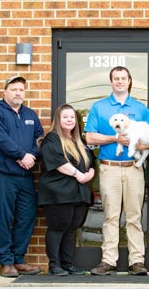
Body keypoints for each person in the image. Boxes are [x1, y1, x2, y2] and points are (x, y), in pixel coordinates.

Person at [84, 66, 149, 276]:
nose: (119, 81)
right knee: (110, 216)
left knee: (134, 216)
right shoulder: (100, 107)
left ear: (129, 81)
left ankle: (137, 261)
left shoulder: (139, 108)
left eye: (123, 78)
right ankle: (108, 260)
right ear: (111, 82)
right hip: (109, 168)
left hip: (133, 169)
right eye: (116, 78)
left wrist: (142, 147)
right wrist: (115, 138)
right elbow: (90, 137)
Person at [0, 75, 44, 277]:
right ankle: (6, 261)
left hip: (25, 176)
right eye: (14, 89)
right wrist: (21, 155)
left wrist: (32, 156)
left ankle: (18, 258)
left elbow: (39, 139)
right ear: (5, 92)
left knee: (27, 216)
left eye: (21, 89)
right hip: (2, 175)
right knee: (4, 218)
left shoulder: (30, 114)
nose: (18, 93)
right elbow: (0, 139)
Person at [37, 104, 95, 276]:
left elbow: (91, 162)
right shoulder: (52, 138)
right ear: (58, 120)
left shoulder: (79, 141)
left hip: (78, 192)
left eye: (72, 117)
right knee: (57, 227)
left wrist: (90, 173)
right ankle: (54, 265)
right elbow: (58, 163)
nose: (69, 120)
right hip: (58, 192)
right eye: (65, 117)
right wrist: (78, 174)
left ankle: (68, 264)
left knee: (71, 229)